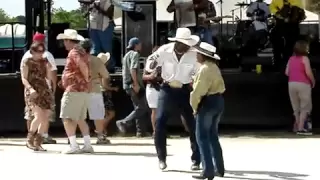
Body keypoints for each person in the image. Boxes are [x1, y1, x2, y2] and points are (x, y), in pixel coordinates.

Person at [146, 27, 200, 170]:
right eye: (184, 44)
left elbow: (198, 72)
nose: (186, 46)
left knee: (192, 124)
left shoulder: (194, 54)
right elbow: (150, 63)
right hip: (167, 88)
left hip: (185, 90)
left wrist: (195, 82)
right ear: (177, 42)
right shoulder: (164, 50)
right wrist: (153, 68)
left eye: (188, 44)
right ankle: (161, 158)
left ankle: (197, 159)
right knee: (160, 121)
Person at [190, 42, 225, 180]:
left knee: (202, 137)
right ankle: (219, 168)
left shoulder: (204, 69)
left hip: (207, 102)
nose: (196, 55)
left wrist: (194, 107)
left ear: (203, 55)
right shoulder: (214, 67)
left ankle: (208, 171)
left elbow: (198, 92)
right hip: (218, 101)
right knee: (213, 135)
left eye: (198, 53)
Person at [57, 29, 93, 154]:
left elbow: (81, 65)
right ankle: (87, 144)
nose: (64, 43)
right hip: (81, 89)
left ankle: (73, 145)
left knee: (66, 117)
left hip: (74, 89)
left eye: (64, 41)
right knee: (80, 118)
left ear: (68, 40)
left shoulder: (74, 52)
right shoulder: (81, 51)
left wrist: (85, 78)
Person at [20, 32, 57, 144]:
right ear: (32, 52)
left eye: (42, 51)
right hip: (33, 90)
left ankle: (38, 141)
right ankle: (30, 139)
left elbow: (48, 77)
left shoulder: (44, 61)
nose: (40, 54)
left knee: (45, 116)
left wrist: (49, 69)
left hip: (44, 90)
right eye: (38, 51)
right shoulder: (27, 62)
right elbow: (24, 78)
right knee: (38, 115)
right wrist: (30, 89)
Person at [80, 39, 113, 144]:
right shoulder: (96, 60)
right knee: (97, 115)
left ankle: (75, 137)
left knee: (79, 115)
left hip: (79, 89)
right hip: (94, 89)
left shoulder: (76, 59)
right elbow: (106, 75)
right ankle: (100, 136)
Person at [117, 37, 149, 137]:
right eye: (139, 44)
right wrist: (135, 83)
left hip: (127, 84)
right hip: (133, 84)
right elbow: (133, 69)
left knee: (138, 108)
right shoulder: (135, 54)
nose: (141, 46)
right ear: (136, 45)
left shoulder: (126, 55)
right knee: (142, 107)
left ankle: (140, 131)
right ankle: (124, 122)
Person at [285, 40, 315, 135]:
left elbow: (286, 72)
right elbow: (308, 72)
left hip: (291, 84)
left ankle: (296, 126)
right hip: (303, 84)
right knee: (305, 107)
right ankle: (301, 128)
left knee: (296, 107)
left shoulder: (291, 59)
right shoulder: (305, 59)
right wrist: (313, 81)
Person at [269, 0, 305, 70]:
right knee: (277, 43)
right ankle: (279, 63)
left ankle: (285, 63)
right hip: (281, 25)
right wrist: (278, 13)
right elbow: (272, 8)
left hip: (291, 26)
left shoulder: (297, 1)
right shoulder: (276, 1)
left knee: (289, 46)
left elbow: (299, 12)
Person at [89, 0, 115, 72]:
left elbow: (110, 14)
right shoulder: (93, 1)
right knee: (95, 48)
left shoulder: (108, 1)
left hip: (105, 26)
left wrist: (98, 8)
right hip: (93, 26)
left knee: (107, 48)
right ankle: (96, 67)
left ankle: (110, 67)